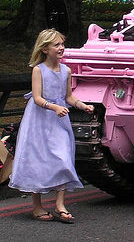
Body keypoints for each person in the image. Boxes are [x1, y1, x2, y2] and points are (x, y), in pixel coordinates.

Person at [8, 29, 94, 223]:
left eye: (62, 44)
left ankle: (60, 204)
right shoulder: (39, 70)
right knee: (38, 159)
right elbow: (37, 98)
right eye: (56, 45)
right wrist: (54, 107)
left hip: (58, 120)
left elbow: (68, 97)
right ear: (45, 49)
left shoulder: (66, 70)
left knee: (63, 157)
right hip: (39, 119)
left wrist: (83, 106)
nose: (61, 48)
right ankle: (37, 207)